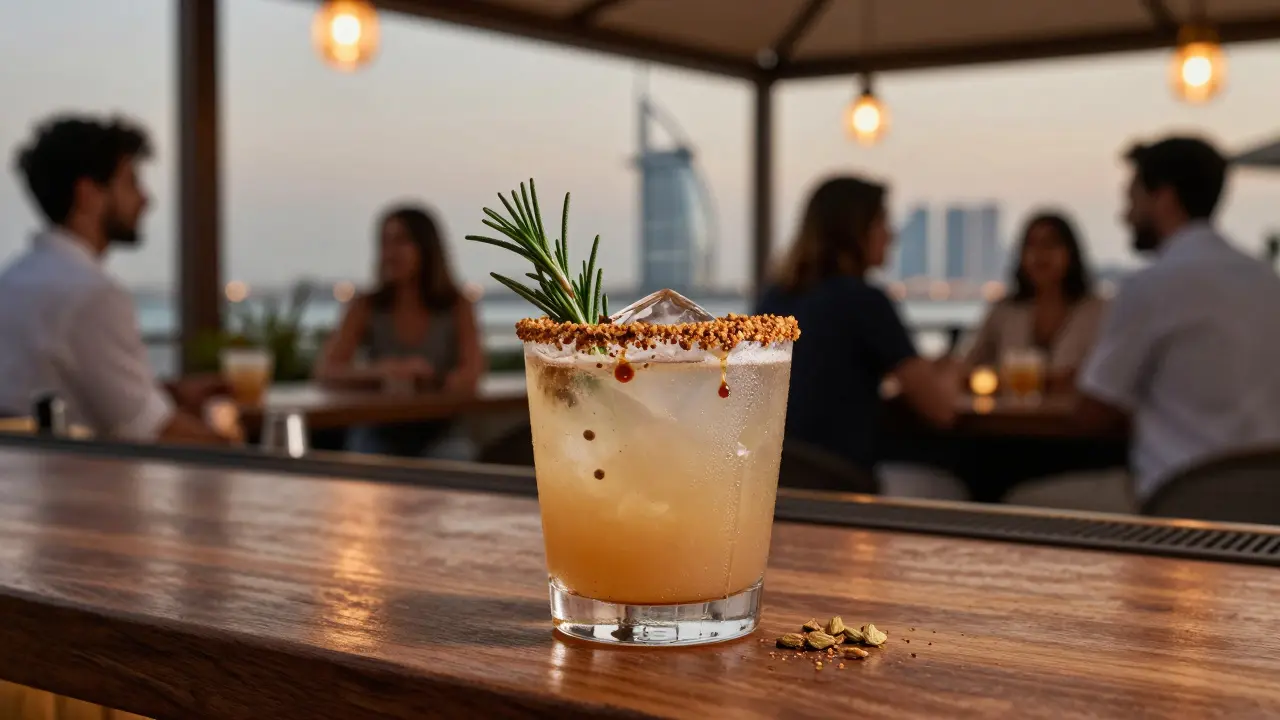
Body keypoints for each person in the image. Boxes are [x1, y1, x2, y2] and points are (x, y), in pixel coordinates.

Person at [1042, 136, 1280, 509]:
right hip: (1267, 501)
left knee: (1015, 501)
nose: (1125, 215)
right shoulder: (1268, 283)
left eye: (1132, 198)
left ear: (1164, 198)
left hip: (1178, 498)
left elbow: (1092, 415)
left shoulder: (1151, 286)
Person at [0, 114, 226, 444]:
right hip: (78, 489)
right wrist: (238, 448)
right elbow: (152, 430)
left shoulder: (14, 282)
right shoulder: (92, 295)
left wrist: (171, 392)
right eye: (131, 182)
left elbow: (53, 391)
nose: (145, 199)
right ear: (88, 194)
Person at [757, 176, 959, 479]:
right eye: (882, 223)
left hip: (780, 484)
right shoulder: (864, 301)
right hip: (843, 483)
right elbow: (941, 411)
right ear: (854, 230)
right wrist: (956, 369)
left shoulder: (773, 298)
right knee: (958, 486)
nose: (891, 235)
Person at [315, 204, 484, 458]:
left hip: (440, 431)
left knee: (456, 456)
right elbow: (326, 371)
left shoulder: (456, 305)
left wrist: (429, 378)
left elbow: (471, 374)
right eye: (384, 242)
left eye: (401, 241)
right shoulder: (366, 305)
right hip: (378, 429)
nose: (389, 253)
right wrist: (385, 371)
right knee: (366, 460)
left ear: (426, 248)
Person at [963, 212, 1107, 392]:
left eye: (1051, 244)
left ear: (1071, 253)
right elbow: (968, 366)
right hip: (1010, 416)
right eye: (1031, 245)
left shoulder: (1098, 312)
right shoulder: (1005, 311)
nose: (1040, 254)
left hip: (1076, 417)